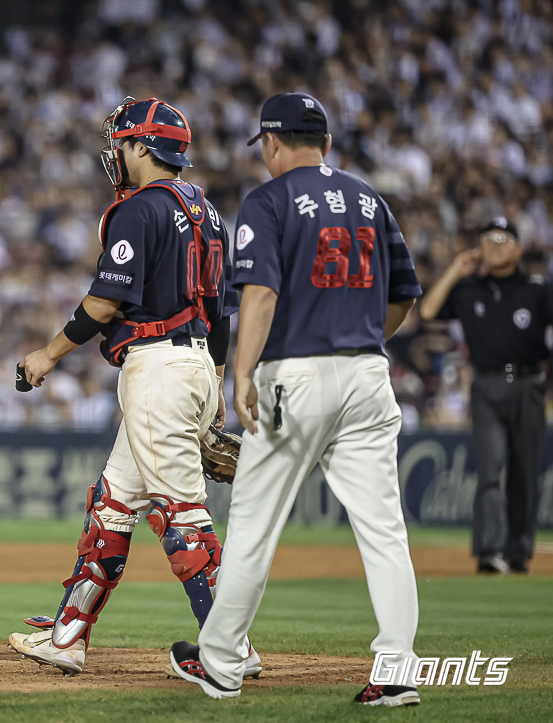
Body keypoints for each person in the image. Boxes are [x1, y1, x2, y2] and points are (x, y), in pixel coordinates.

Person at [169, 93, 423, 707]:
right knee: (385, 531)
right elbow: (404, 298)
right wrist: (358, 342)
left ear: (273, 143)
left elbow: (258, 295)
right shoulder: (370, 198)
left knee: (254, 525)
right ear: (326, 143)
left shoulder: (269, 199)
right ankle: (397, 670)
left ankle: (222, 663)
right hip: (368, 375)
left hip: (296, 378)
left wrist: (242, 372)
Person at [8, 97, 261, 677]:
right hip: (194, 364)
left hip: (157, 371)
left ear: (142, 147)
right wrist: (216, 378)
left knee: (182, 516)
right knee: (113, 506)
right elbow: (220, 307)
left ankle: (229, 650)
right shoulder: (205, 210)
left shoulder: (138, 209)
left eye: (120, 143)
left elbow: (106, 300)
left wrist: (48, 354)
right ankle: (68, 637)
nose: (115, 153)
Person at [419, 217, 551, 575]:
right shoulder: (467, 289)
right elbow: (428, 311)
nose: (494, 244)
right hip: (486, 386)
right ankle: (491, 552)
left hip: (529, 383)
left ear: (519, 248)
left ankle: (519, 552)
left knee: (524, 471)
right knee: (491, 469)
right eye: (487, 238)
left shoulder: (537, 288)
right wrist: (455, 270)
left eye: (503, 238)